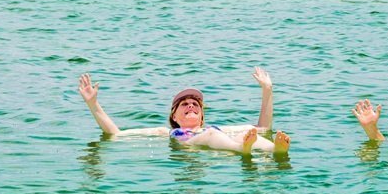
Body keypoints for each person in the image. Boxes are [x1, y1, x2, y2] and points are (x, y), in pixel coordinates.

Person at [77, 66, 290, 158]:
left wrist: (267, 90)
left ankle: (276, 151)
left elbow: (262, 128)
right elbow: (116, 134)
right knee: (215, 135)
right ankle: (243, 149)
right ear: (174, 117)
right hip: (197, 148)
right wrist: (93, 104)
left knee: (249, 134)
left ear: (202, 116)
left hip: (223, 149)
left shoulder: (211, 128)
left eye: (195, 105)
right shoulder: (166, 132)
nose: (190, 106)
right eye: (184, 104)